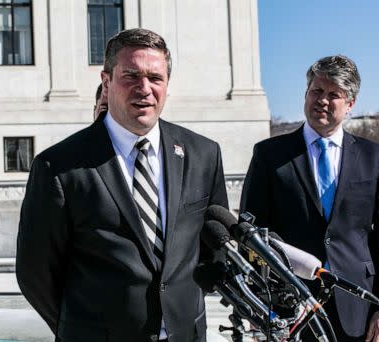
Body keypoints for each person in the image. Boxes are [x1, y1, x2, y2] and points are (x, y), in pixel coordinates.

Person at [17, 28, 228, 342]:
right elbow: (35, 272)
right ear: (106, 82)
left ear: (167, 84)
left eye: (155, 78)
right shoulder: (59, 166)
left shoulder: (203, 154)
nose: (144, 88)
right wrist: (81, 329)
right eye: (131, 75)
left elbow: (216, 245)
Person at [240, 55, 379, 342]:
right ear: (305, 94)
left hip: (358, 307)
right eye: (316, 91)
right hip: (288, 304)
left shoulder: (375, 157)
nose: (322, 101)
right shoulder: (269, 155)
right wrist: (257, 307)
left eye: (334, 95)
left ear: (350, 104)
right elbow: (250, 233)